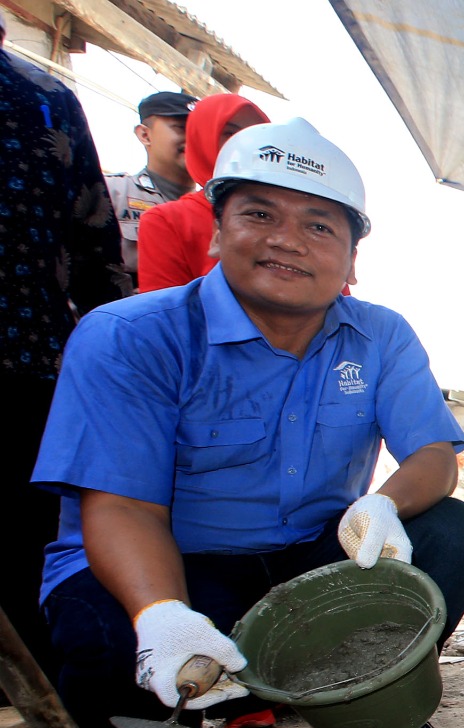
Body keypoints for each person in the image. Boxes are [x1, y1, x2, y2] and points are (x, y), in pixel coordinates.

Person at [33, 117, 464, 728]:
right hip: (174, 564)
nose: (286, 240)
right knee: (105, 631)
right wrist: (162, 616)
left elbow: (433, 452)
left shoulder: (380, 335)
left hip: (310, 552)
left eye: (318, 226)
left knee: (450, 534)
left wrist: (381, 503)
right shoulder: (129, 336)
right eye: (259, 215)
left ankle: (369, 724)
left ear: (350, 255)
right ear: (215, 231)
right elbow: (120, 507)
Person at [0, 13, 129, 677]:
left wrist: (111, 376)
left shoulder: (45, 100)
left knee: (38, 540)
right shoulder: (45, 98)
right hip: (37, 363)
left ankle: (72, 698)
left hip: (34, 365)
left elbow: (96, 255)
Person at [136, 92, 269, 292]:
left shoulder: (291, 213)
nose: (246, 144)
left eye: (255, 136)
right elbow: (165, 315)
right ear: (202, 138)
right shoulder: (167, 220)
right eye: (230, 134)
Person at [104, 90, 197, 288]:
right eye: (181, 128)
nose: (193, 139)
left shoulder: (218, 208)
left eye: (199, 131)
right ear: (145, 134)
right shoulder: (111, 193)